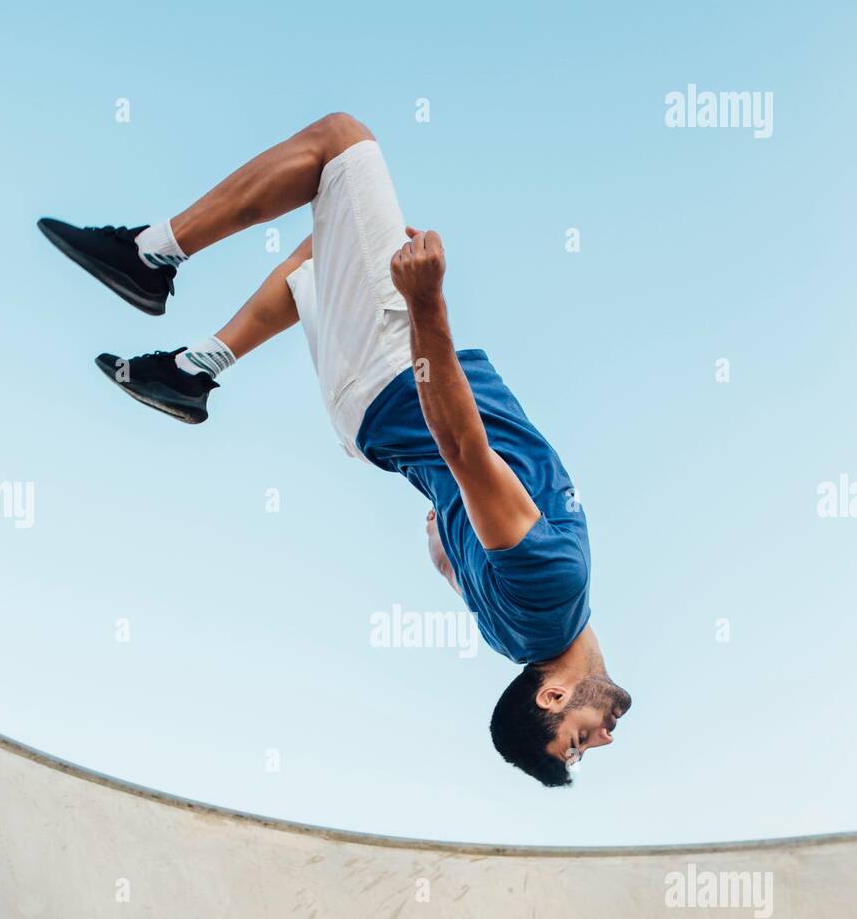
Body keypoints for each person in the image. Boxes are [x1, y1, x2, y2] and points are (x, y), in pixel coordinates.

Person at [38, 112, 631, 786]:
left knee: (341, 143)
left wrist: (428, 304)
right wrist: (446, 497)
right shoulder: (511, 638)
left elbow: (465, 453)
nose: (605, 736)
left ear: (552, 698)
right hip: (368, 419)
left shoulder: (553, 597)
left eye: (578, 742)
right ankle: (189, 372)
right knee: (323, 248)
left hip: (396, 378)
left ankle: (147, 256)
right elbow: (443, 546)